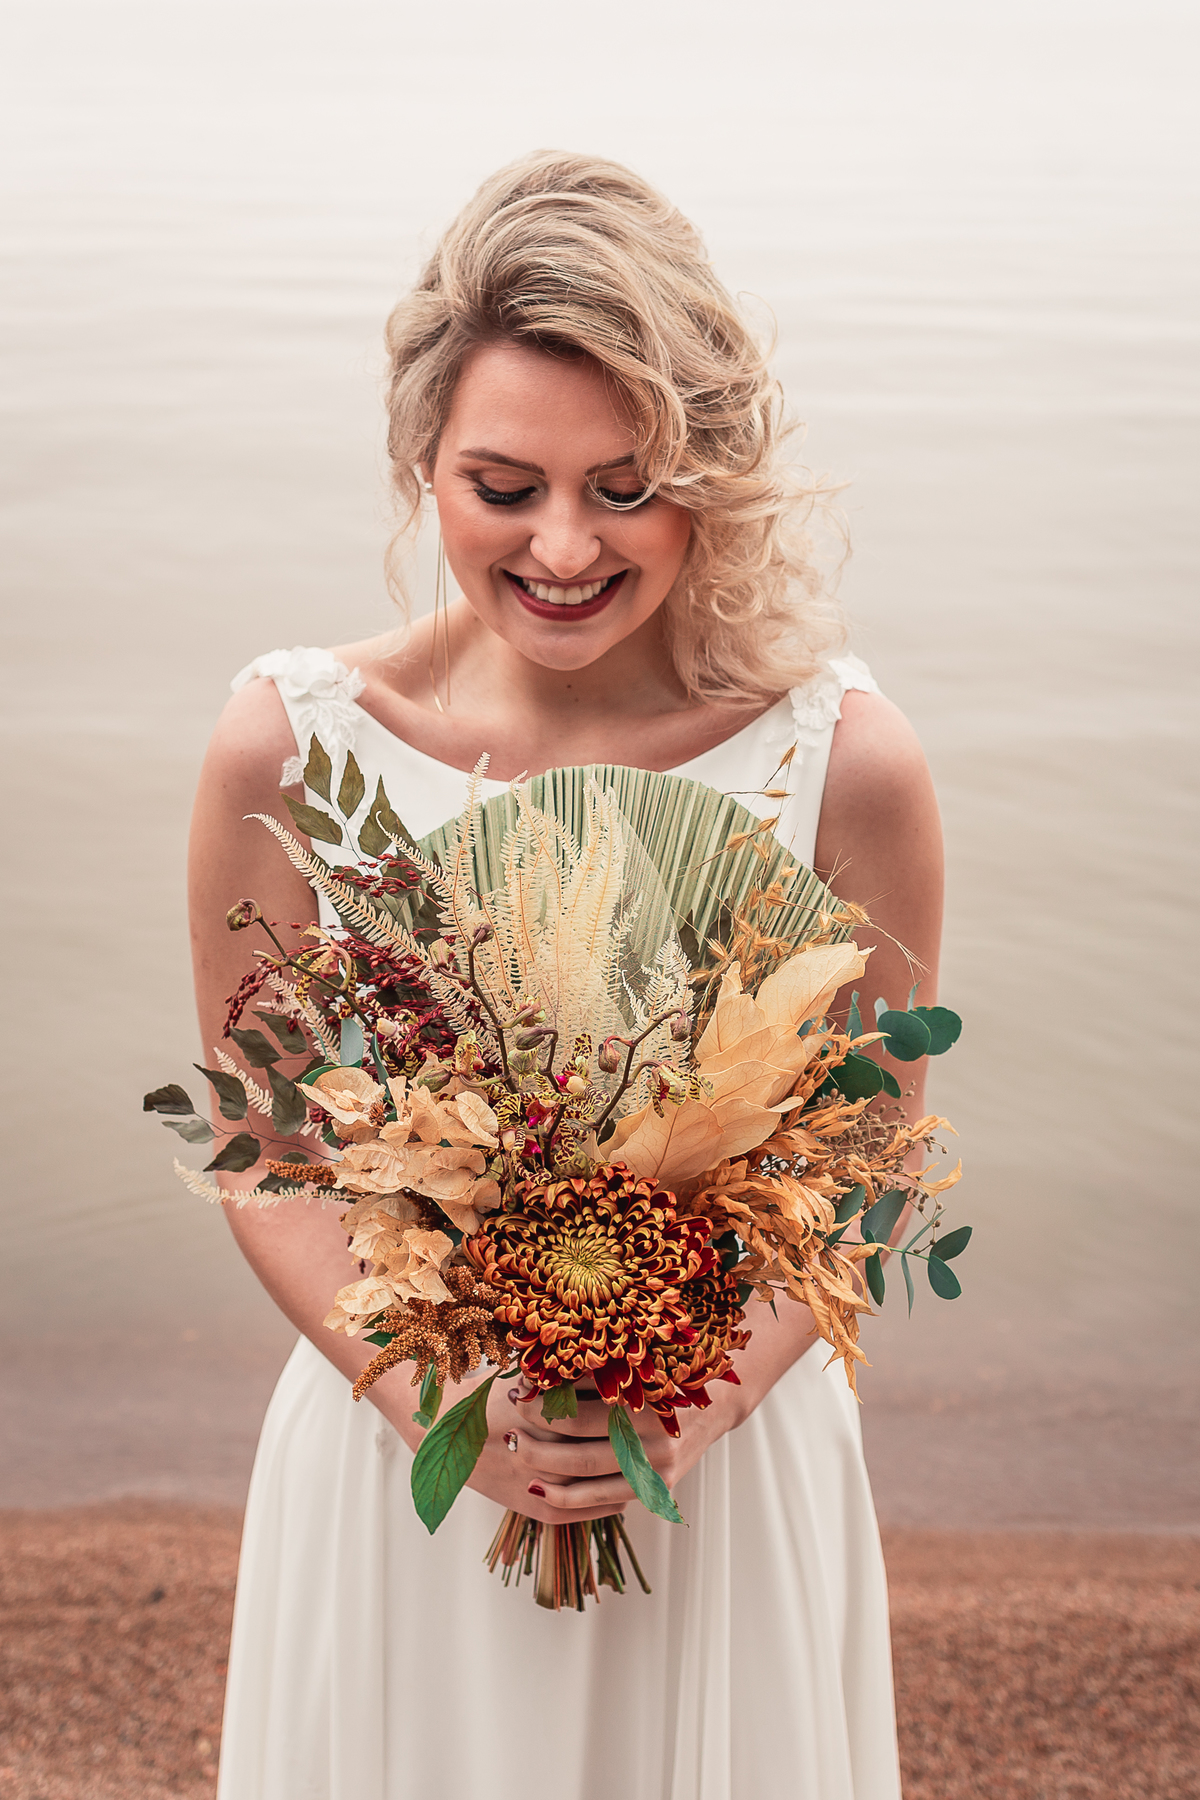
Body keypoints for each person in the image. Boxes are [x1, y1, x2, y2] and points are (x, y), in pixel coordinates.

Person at [190, 151, 942, 1800]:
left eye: (627, 484)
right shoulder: (289, 744)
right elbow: (268, 1149)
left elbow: (873, 1153)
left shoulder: (843, 765)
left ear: (709, 471)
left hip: (712, 1477)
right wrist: (437, 1397)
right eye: (504, 483)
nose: (563, 546)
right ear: (421, 467)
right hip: (411, 1453)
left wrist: (697, 1407)